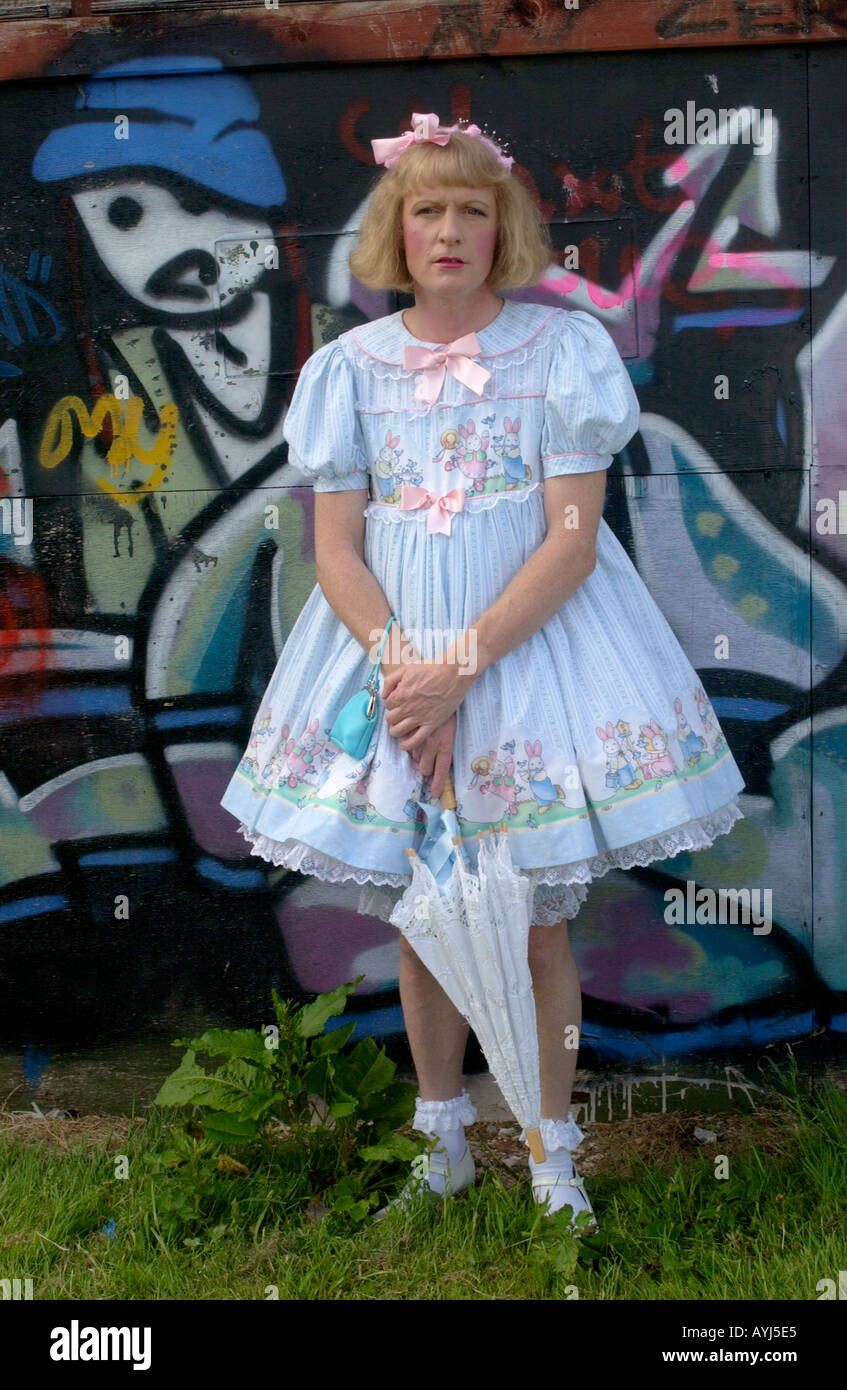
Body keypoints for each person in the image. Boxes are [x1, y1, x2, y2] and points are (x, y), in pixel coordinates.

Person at [219, 113, 746, 1229]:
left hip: (530, 658)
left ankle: (552, 1153)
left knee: (534, 918)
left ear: (499, 226)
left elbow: (569, 536)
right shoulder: (345, 371)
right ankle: (445, 1138)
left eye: (471, 209)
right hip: (393, 663)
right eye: (426, 210)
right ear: (394, 230)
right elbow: (335, 549)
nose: (449, 231)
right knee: (422, 914)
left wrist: (461, 668)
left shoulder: (561, 354)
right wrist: (408, 674)